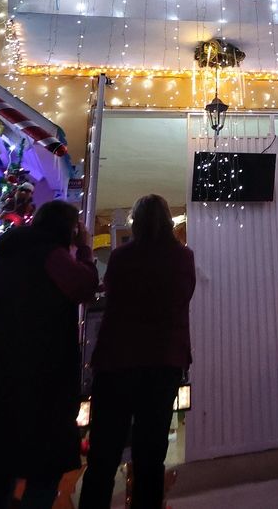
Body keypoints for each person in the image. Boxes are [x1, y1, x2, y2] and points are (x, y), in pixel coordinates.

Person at [0, 200, 99, 509]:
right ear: (67, 227)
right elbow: (85, 287)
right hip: (38, 378)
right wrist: (85, 251)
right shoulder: (51, 254)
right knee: (44, 468)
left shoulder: (4, 258)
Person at [80, 195, 196, 509]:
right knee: (151, 455)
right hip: (163, 361)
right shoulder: (183, 258)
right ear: (169, 222)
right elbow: (183, 298)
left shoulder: (121, 257)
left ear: (137, 222)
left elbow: (112, 295)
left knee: (103, 455)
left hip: (117, 362)